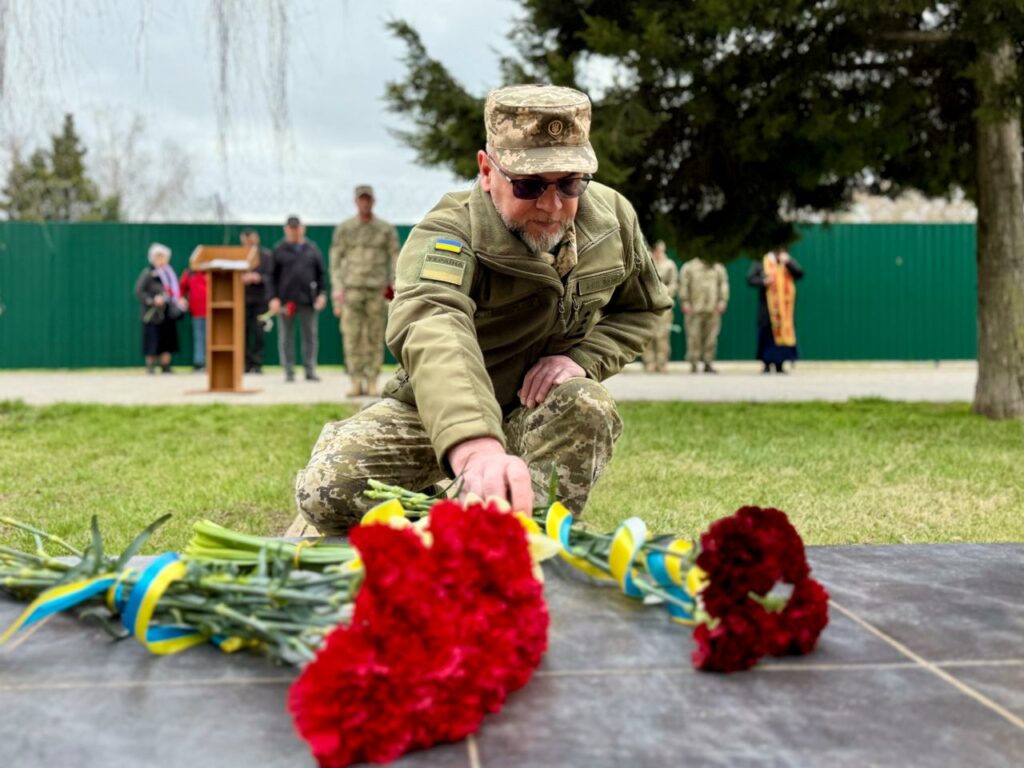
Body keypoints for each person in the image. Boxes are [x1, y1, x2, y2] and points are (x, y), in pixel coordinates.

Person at [292, 83, 673, 535]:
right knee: (325, 491)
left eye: (570, 183)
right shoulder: (448, 234)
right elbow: (434, 328)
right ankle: (455, 507)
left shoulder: (612, 220)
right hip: (439, 409)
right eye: (529, 185)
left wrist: (581, 360)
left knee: (587, 405)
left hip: (536, 410)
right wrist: (474, 447)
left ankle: (521, 532)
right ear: (487, 170)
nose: (552, 206)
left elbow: (645, 308)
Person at [329, 184, 400, 397]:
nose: (364, 203)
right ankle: (355, 380)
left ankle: (372, 380)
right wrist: (338, 287)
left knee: (374, 335)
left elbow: (395, 257)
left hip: (376, 290)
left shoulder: (385, 229)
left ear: (373, 201)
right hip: (351, 290)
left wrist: (395, 283)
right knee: (352, 336)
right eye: (361, 199)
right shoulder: (345, 229)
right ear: (355, 201)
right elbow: (336, 260)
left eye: (368, 199)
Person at [268, 215, 326, 382]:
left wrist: (322, 294)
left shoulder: (312, 249)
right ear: (286, 229)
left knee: (310, 336)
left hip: (308, 299)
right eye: (290, 228)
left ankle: (310, 370)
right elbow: (271, 277)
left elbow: (321, 274)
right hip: (286, 302)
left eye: (297, 227)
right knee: (286, 337)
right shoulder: (278, 250)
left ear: (302, 228)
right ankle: (289, 371)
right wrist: (273, 298)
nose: (294, 231)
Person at [746, 247, 804, 373]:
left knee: (782, 333)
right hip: (767, 307)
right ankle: (766, 364)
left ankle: (780, 364)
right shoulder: (762, 262)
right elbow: (750, 279)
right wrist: (764, 281)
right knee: (766, 333)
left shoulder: (786, 262)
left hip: (784, 308)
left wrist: (788, 262)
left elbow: (799, 273)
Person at [134, 243, 187, 374]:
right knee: (152, 340)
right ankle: (150, 366)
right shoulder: (148, 273)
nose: (161, 259)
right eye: (158, 256)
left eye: (163, 256)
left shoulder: (170, 273)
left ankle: (166, 366)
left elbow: (175, 291)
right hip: (152, 315)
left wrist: (179, 300)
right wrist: (152, 300)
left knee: (168, 340)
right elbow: (139, 291)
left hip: (168, 312)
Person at [679, 254, 730, 373]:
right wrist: (685, 301)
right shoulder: (689, 267)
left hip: (712, 308)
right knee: (693, 337)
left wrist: (723, 300)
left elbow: (723, 284)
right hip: (694, 308)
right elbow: (684, 285)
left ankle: (708, 363)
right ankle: (694, 363)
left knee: (711, 338)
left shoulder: (718, 267)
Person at [641, 240, 678, 372]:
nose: (658, 252)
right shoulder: (646, 262)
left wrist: (664, 294)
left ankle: (662, 363)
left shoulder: (670, 265)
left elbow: (674, 283)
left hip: (664, 306)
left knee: (662, 335)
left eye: (660, 250)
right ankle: (649, 363)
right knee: (648, 335)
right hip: (648, 305)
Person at [240, 228, 273, 374]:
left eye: (251, 240)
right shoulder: (238, 256)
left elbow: (271, 276)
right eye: (246, 241)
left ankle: (257, 363)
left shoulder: (265, 256)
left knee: (259, 332)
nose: (249, 243)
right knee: (243, 332)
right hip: (242, 300)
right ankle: (245, 364)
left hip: (260, 300)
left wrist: (258, 278)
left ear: (257, 239)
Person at [178, 266, 208, 371]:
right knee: (199, 337)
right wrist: (181, 299)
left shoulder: (211, 272)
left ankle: (210, 364)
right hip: (196, 310)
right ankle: (199, 363)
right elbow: (181, 288)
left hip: (213, 311)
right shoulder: (189, 273)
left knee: (212, 339)